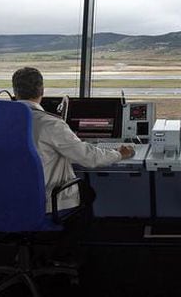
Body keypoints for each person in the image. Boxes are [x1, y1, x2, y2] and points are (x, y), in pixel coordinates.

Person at [12, 67, 135, 265]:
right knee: (87, 194)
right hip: (43, 202)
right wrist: (119, 153)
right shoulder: (50, 124)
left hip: (2, 199)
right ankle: (64, 255)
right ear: (41, 90)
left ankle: (27, 252)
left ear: (14, 92)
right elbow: (89, 159)